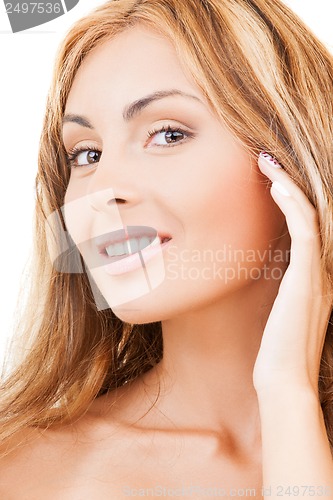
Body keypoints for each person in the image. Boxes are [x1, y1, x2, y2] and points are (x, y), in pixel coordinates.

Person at [0, 0, 333, 497]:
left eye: (168, 134)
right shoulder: (35, 473)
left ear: (290, 156)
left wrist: (289, 396)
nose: (103, 188)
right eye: (86, 154)